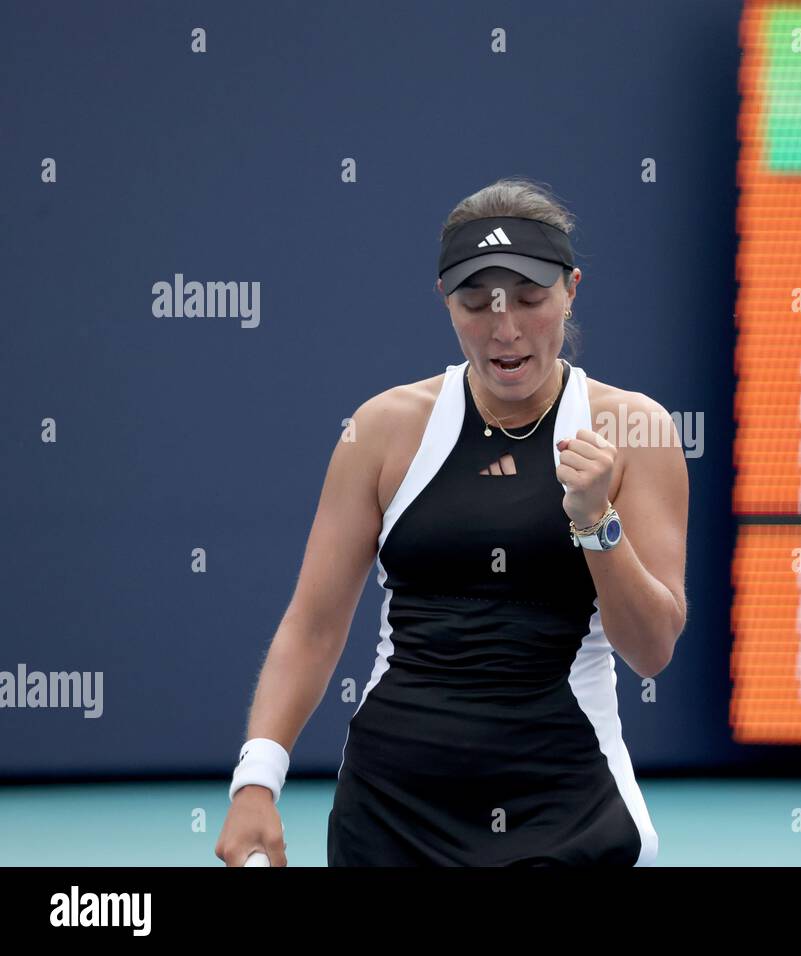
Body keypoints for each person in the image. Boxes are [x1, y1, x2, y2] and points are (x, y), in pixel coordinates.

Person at [214, 178, 688, 866]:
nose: (505, 330)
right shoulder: (381, 431)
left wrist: (596, 523)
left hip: (570, 810)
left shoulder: (635, 429)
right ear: (445, 300)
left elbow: (652, 649)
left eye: (530, 300)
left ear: (571, 290)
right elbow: (312, 627)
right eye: (476, 303)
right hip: (392, 814)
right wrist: (256, 782)